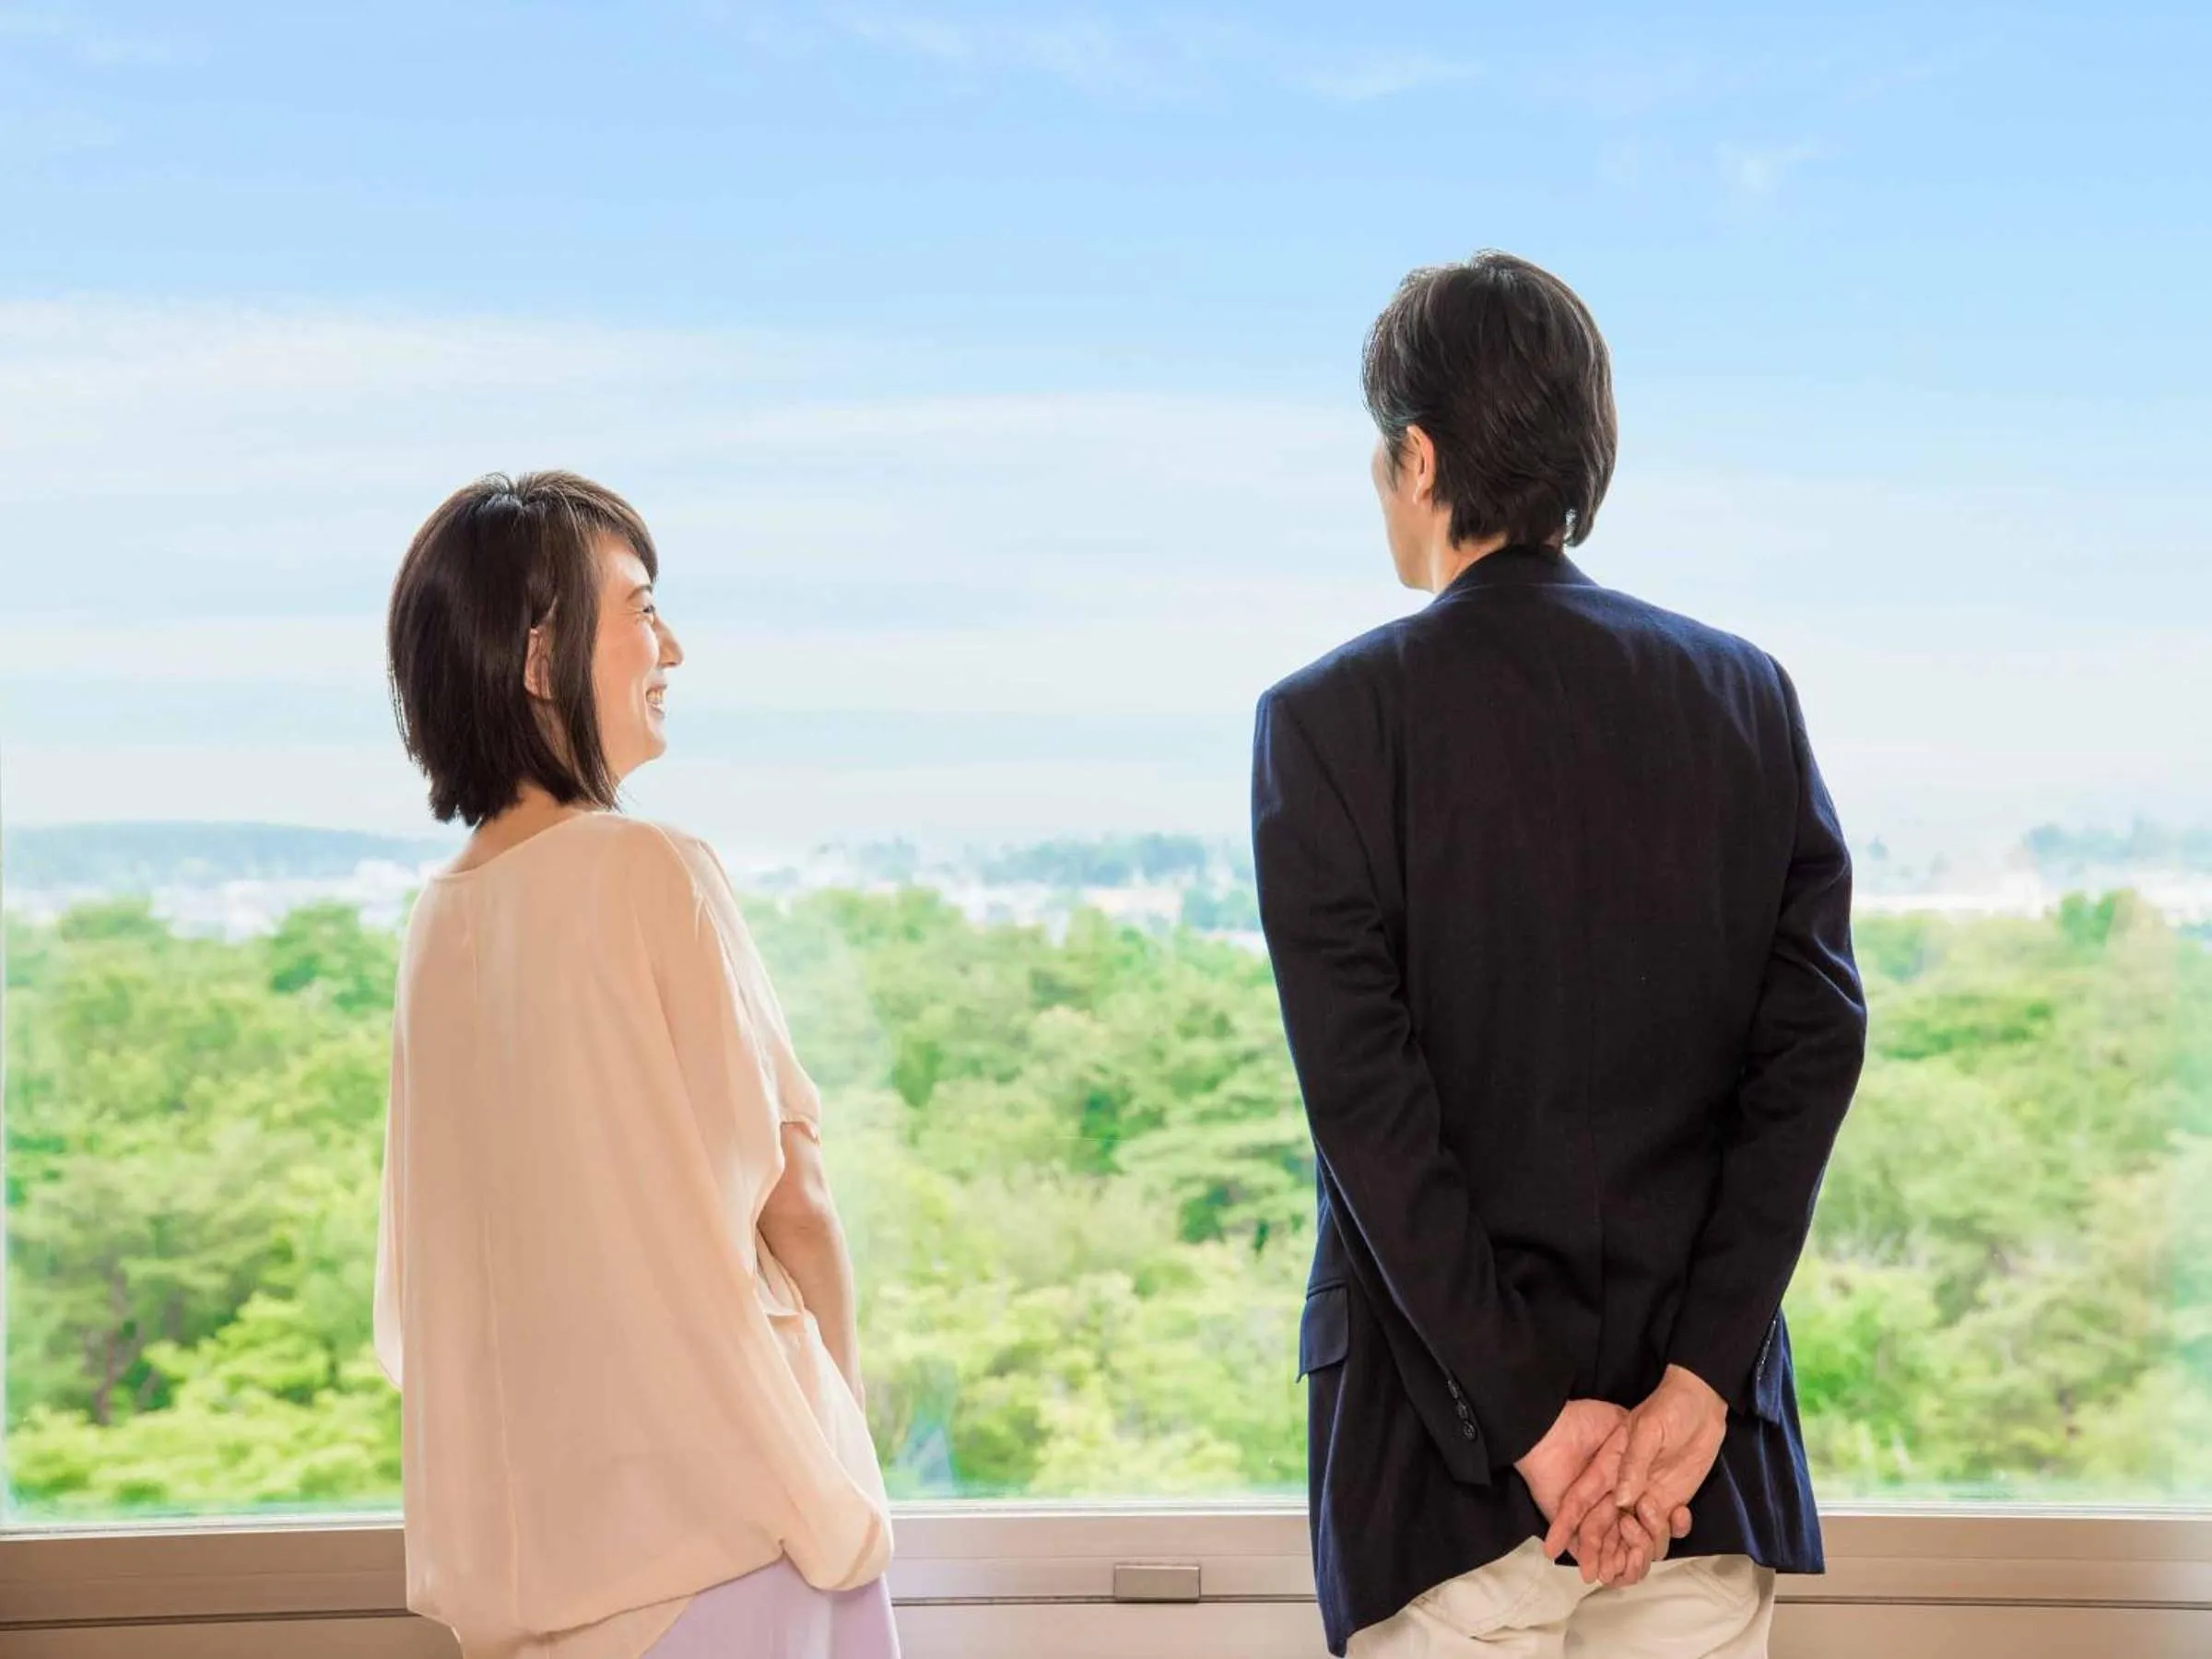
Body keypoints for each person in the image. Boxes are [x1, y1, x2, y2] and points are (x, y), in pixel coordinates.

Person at [1251, 253, 1866, 1658]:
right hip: (1690, 1482)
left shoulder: (1327, 724)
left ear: (1416, 458)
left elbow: (1372, 1120)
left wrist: (1533, 1427)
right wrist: (1695, 1391)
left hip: (1439, 1486)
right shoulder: (1744, 696)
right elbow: (1813, 1054)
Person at [375, 471, 899, 1659]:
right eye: (641, 607)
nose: (673, 645)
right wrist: (841, 1445)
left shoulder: (438, 921)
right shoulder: (650, 871)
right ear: (537, 652)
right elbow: (795, 1198)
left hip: (539, 1575)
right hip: (728, 1544)